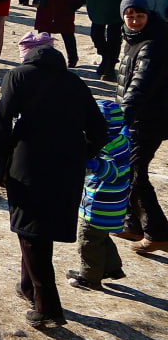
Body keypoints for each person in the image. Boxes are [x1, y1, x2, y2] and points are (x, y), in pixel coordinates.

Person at [0, 37, 105, 328]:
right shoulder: (75, 82)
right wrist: (81, 154)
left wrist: (0, 161)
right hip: (67, 165)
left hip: (28, 162)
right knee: (37, 231)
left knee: (30, 230)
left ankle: (47, 307)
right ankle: (27, 286)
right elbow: (100, 130)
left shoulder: (18, 75)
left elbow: (1, 121)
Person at [114, 0, 168, 254]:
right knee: (128, 169)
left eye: (140, 16)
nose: (134, 21)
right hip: (137, 118)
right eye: (130, 16)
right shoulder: (132, 38)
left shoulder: (153, 44)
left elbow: (140, 85)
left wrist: (122, 117)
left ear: (149, 15)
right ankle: (132, 223)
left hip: (149, 120)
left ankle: (157, 232)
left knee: (135, 173)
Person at [69, 100, 131, 290]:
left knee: (88, 241)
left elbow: (112, 172)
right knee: (102, 238)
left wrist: (93, 165)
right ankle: (111, 268)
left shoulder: (106, 148)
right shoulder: (122, 141)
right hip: (114, 206)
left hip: (99, 206)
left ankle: (90, 277)